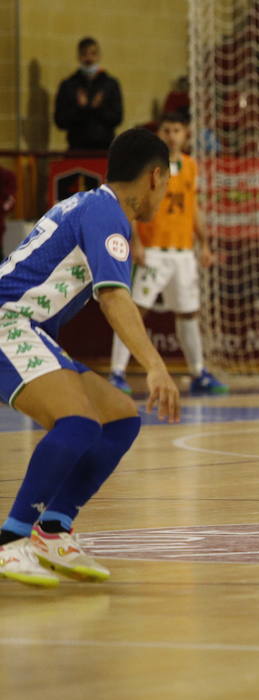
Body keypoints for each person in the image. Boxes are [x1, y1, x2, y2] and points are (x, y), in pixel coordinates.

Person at [0, 128, 180, 588]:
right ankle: (10, 539)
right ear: (155, 177)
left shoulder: (91, 204)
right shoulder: (106, 213)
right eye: (166, 186)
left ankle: (54, 529)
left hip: (27, 328)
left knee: (120, 418)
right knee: (78, 423)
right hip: (7, 323)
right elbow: (114, 297)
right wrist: (156, 366)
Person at [108, 113, 227, 397]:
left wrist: (206, 244)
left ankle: (198, 372)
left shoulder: (190, 166)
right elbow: (133, 204)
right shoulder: (148, 167)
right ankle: (116, 373)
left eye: (177, 130)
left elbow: (193, 207)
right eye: (167, 130)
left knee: (189, 313)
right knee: (134, 311)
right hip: (153, 253)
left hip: (184, 253)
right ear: (159, 133)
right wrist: (135, 243)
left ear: (186, 134)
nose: (172, 135)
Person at [53, 37, 123, 153]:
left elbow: (117, 118)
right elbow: (60, 121)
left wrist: (98, 108)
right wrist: (80, 109)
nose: (89, 58)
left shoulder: (110, 84)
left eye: (93, 53)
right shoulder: (68, 85)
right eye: (84, 54)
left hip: (103, 149)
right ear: (79, 57)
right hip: (77, 148)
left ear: (99, 56)